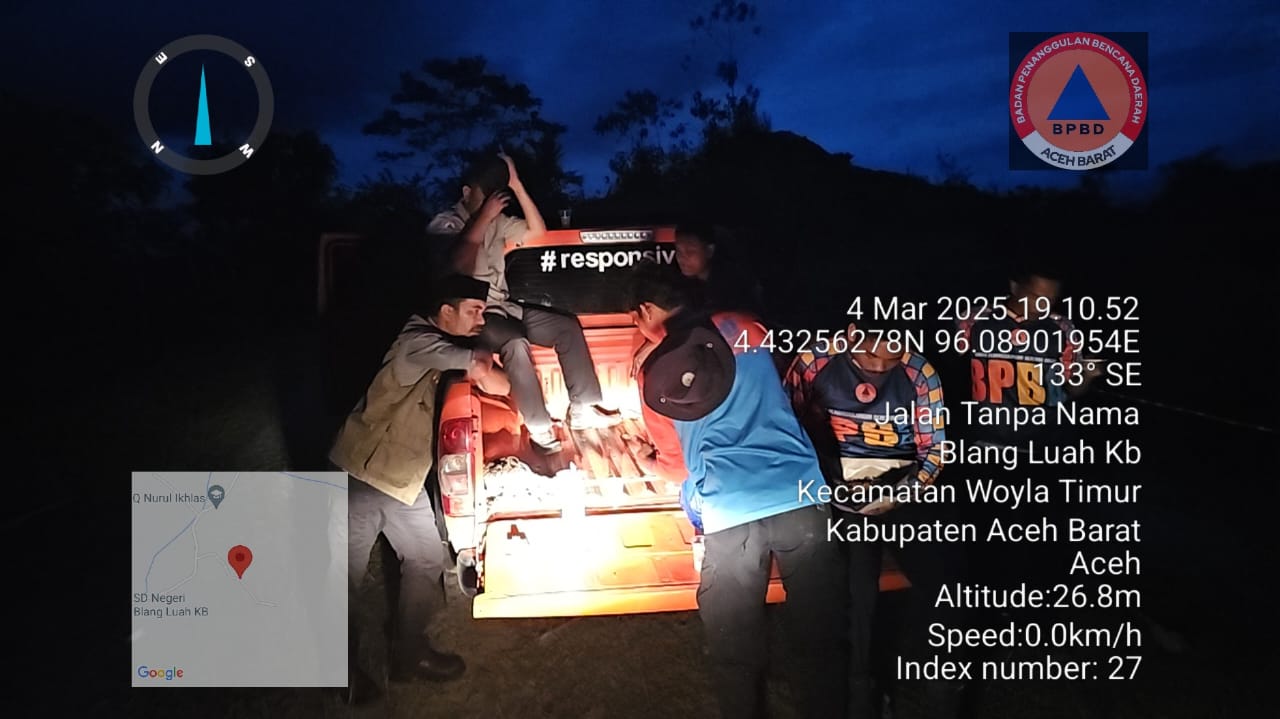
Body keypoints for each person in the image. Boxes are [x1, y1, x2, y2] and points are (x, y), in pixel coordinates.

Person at [628, 262, 847, 719]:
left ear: (646, 311)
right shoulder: (746, 325)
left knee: (735, 646)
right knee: (820, 636)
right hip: (801, 496)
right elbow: (791, 386)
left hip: (730, 513)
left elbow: (677, 468)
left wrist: (646, 461)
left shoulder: (655, 374)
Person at [329, 275, 509, 702]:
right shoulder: (418, 340)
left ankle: (409, 656)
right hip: (365, 473)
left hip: (402, 480)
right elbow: (484, 371)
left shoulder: (440, 344)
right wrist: (494, 358)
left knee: (427, 559)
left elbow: (495, 382)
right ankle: (341, 675)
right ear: (445, 311)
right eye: (474, 310)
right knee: (345, 577)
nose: (481, 319)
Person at [785, 318, 967, 718]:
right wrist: (830, 485)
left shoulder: (919, 370)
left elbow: (935, 452)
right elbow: (788, 428)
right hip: (839, 489)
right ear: (852, 334)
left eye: (891, 358)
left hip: (904, 488)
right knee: (856, 600)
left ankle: (943, 697)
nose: (880, 367)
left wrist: (898, 494)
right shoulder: (816, 360)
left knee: (946, 590)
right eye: (870, 356)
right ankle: (861, 698)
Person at [427, 153, 618, 453]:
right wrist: (484, 217)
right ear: (466, 193)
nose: (491, 201)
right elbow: (457, 265)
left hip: (505, 306)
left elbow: (538, 230)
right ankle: (539, 428)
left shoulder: (499, 221)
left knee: (566, 327)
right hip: (472, 317)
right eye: (485, 195)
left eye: (495, 194)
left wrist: (516, 185)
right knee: (515, 342)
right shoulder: (447, 223)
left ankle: (583, 408)